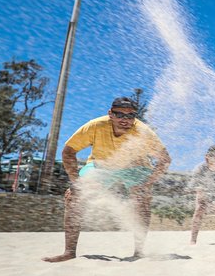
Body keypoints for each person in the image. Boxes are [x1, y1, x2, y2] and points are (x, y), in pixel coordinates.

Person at [42, 97, 171, 262]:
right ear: (110, 114)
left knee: (142, 198)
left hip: (135, 168)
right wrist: (76, 182)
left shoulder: (143, 132)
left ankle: (139, 252)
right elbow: (68, 151)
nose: (125, 120)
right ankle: (69, 252)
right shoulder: (96, 125)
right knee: (74, 196)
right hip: (101, 166)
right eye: (119, 115)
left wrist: (146, 184)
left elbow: (165, 159)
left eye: (130, 116)